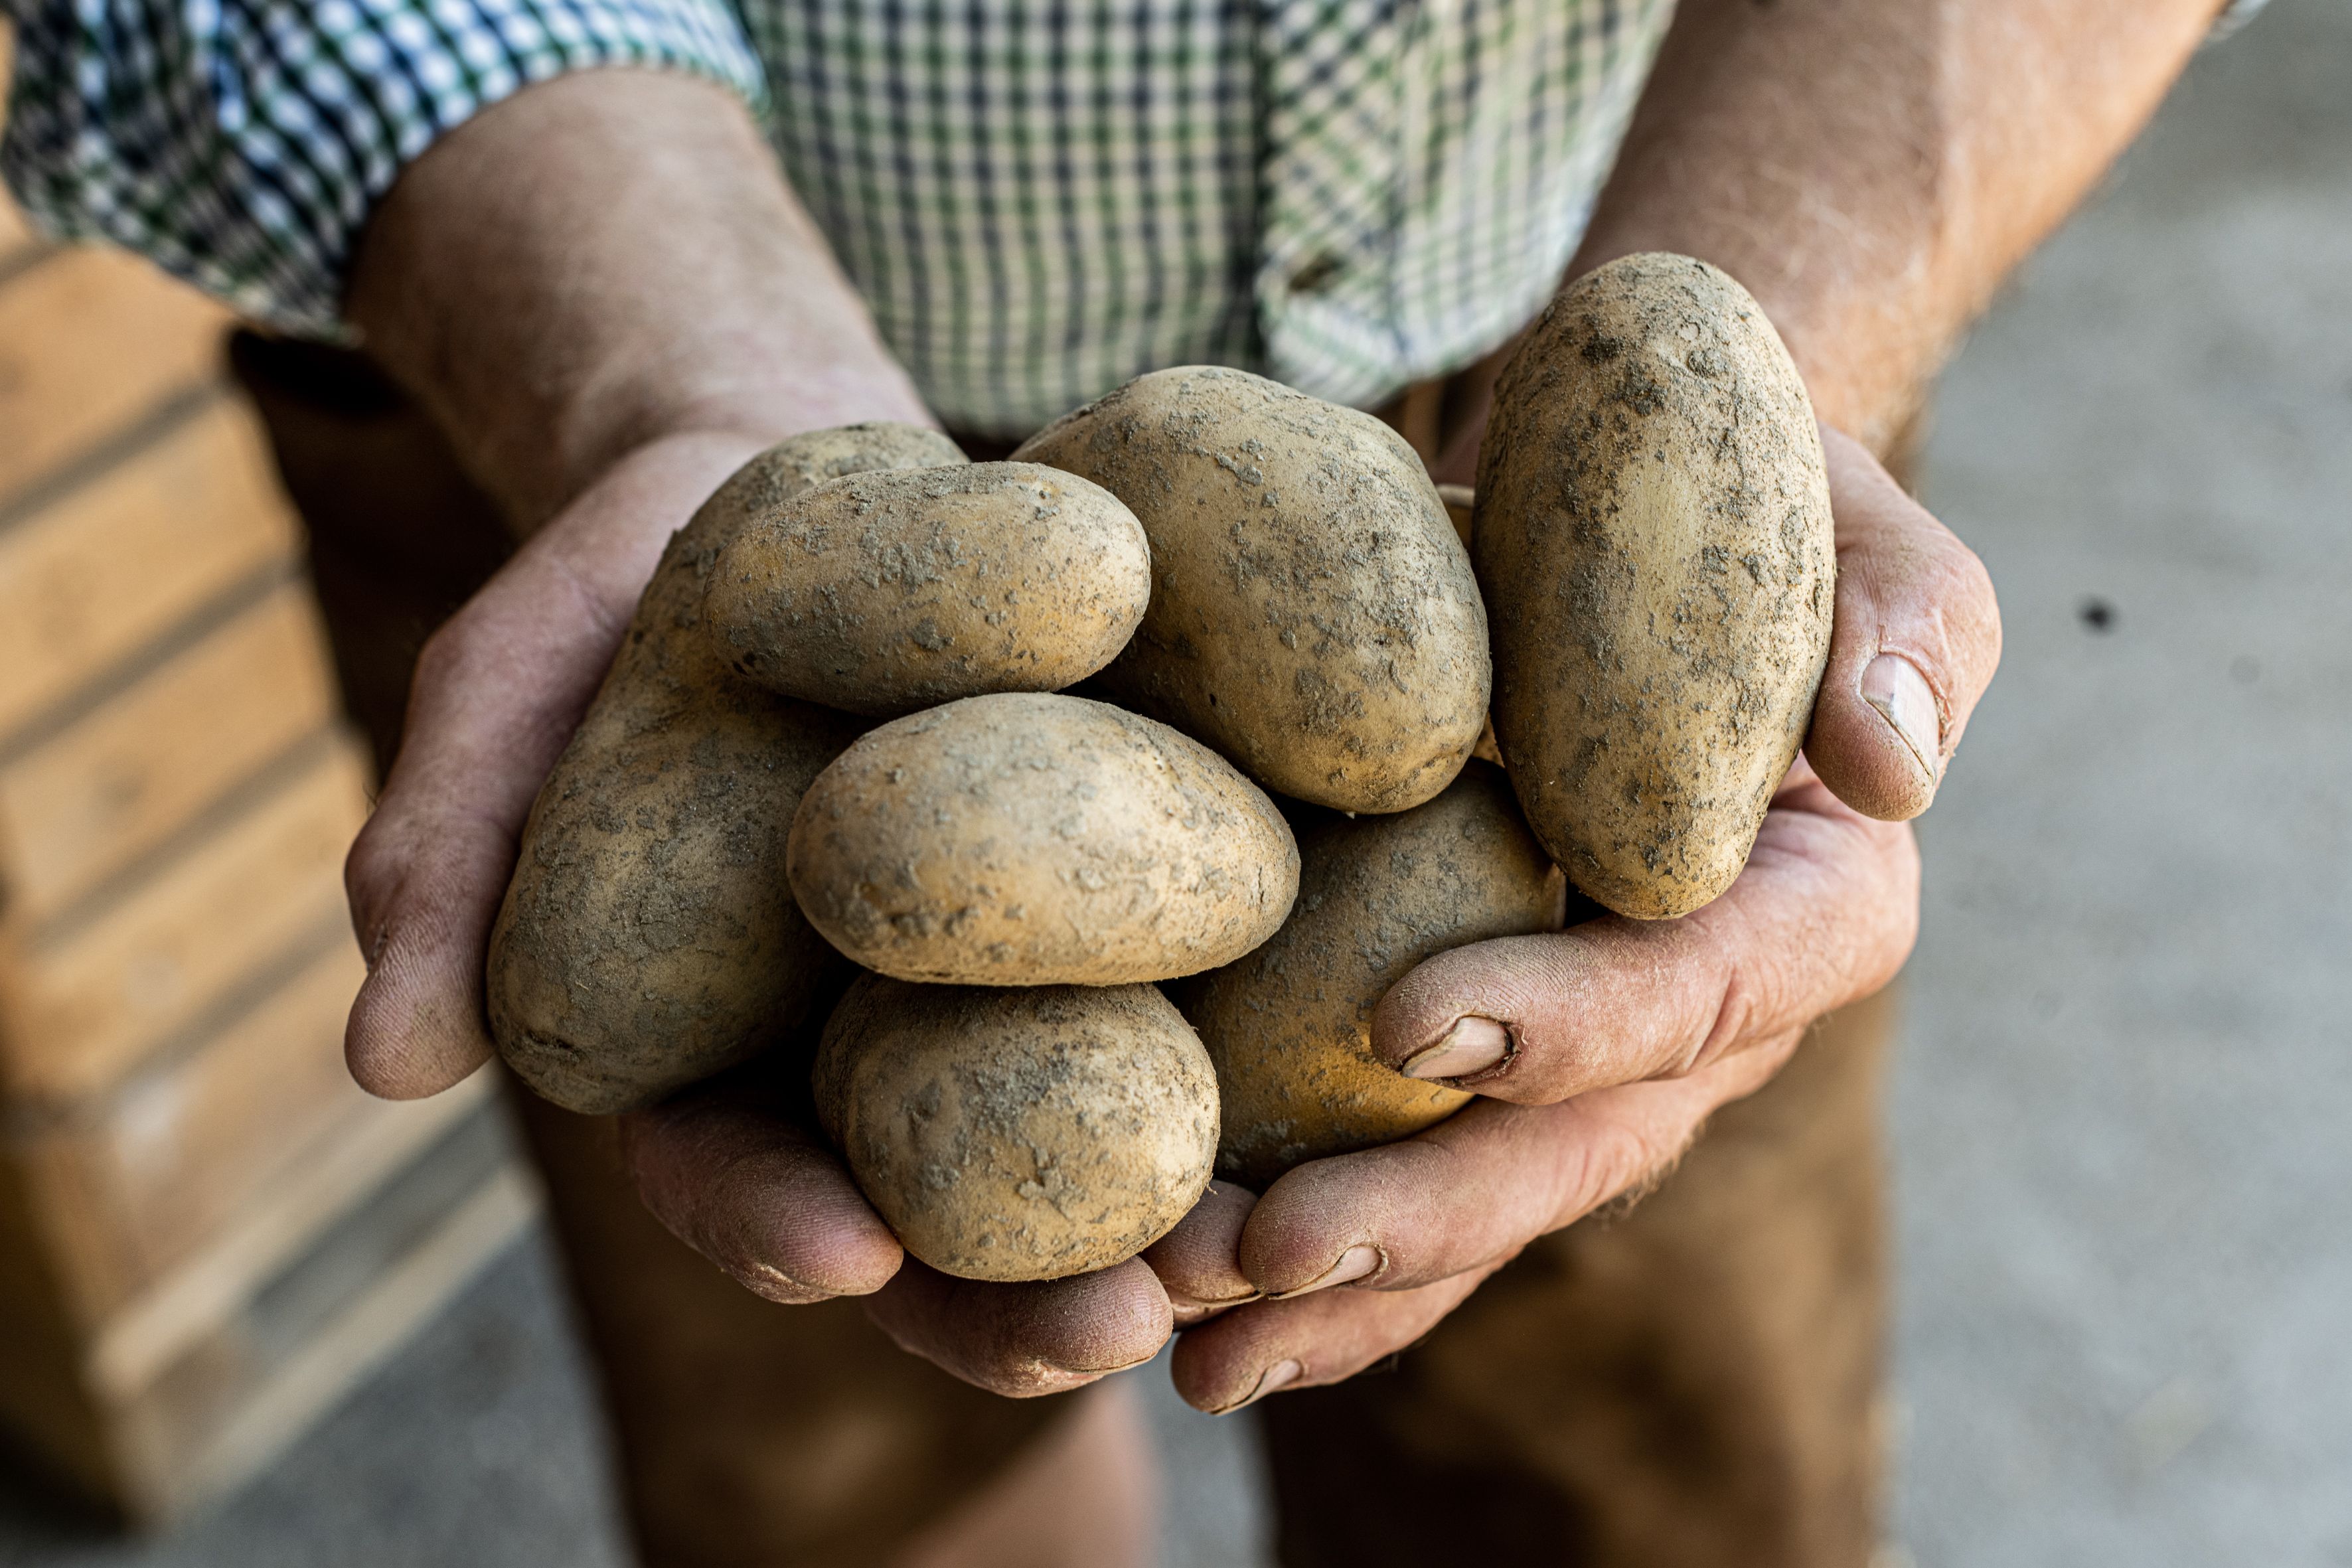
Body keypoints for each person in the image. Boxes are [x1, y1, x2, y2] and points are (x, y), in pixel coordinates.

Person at [0, 0, 2256, 1560]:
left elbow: (1514, 711)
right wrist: (648, 368)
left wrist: (1793, 335)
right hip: (634, 418)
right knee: (828, 1469)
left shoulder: (1537, 660)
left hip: (1585, 444)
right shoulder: (806, 652)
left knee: (1643, 1446)